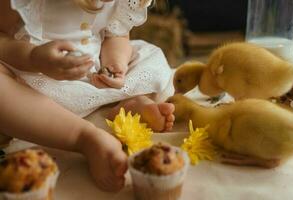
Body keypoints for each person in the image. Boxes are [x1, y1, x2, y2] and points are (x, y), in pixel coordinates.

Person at [0, 0, 175, 192]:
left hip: (95, 77)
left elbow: (116, 36)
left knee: (149, 57)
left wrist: (115, 64)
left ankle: (127, 106)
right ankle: (83, 137)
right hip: (33, 84)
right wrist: (33, 58)